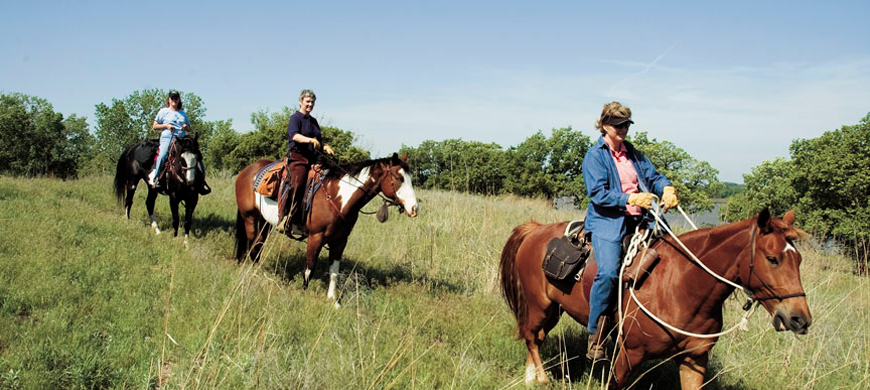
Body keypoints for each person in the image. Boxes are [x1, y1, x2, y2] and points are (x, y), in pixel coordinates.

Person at [581, 101, 679, 361]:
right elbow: (598, 194)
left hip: (641, 220)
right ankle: (596, 336)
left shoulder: (632, 152)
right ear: (605, 126)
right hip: (607, 222)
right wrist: (629, 199)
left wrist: (666, 189)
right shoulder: (595, 155)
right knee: (610, 273)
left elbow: (654, 176)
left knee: (676, 257)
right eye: (618, 125)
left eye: (627, 125)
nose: (623, 130)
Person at [276, 89, 334, 235]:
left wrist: (324, 145)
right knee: (298, 184)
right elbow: (294, 135)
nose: (310, 104)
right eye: (307, 101)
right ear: (301, 102)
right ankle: (286, 218)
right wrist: (309, 140)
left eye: (312, 102)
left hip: (313, 159)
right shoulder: (295, 118)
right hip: (298, 158)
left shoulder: (313, 121)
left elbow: (318, 140)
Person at [148, 91, 211, 194]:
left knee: (196, 155)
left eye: (176, 98)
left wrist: (187, 127)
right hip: (167, 137)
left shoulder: (182, 113)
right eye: (172, 98)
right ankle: (157, 178)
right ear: (168, 100)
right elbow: (154, 126)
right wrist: (166, 126)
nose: (174, 100)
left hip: (181, 139)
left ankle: (201, 182)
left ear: (179, 100)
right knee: (163, 155)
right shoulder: (163, 111)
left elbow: (189, 128)